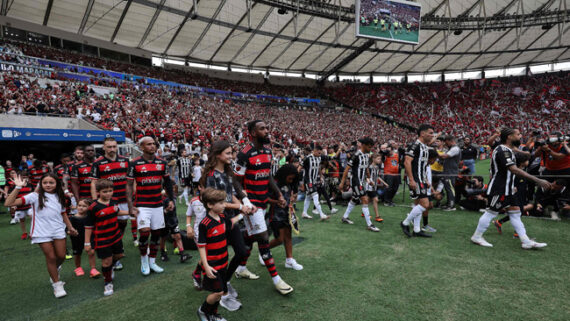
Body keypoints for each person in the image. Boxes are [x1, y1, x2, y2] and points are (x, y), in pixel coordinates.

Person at [233, 120, 294, 295]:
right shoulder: (244, 154)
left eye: (267, 128)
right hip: (251, 204)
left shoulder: (267, 152)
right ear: (252, 132)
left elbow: (268, 177)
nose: (267, 131)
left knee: (251, 237)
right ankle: (277, 280)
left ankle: (241, 266)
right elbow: (236, 182)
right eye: (262, 129)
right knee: (263, 238)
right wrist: (245, 202)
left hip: (263, 201)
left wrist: (279, 195)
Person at [471, 128, 552, 249]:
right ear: (509, 136)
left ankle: (525, 241)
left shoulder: (508, 149)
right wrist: (537, 180)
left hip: (508, 189)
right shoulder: (503, 150)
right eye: (518, 134)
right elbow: (513, 169)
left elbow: (527, 155)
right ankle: (477, 236)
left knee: (515, 214)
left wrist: (528, 149)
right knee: (491, 213)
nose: (520, 136)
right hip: (499, 188)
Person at [4, 172, 78, 298]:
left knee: (61, 255)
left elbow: (63, 213)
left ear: (56, 184)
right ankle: (57, 285)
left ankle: (55, 269)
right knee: (51, 257)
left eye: (51, 182)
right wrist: (18, 187)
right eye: (45, 183)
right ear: (40, 184)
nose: (48, 185)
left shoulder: (60, 196)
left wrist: (70, 227)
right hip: (41, 231)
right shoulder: (34, 196)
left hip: (58, 229)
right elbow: (8, 203)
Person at [201, 140, 250, 311]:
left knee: (241, 251)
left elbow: (231, 195)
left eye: (231, 153)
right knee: (218, 257)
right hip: (217, 220)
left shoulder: (228, 173)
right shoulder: (211, 175)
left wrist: (244, 205)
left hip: (230, 218)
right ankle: (220, 290)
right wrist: (239, 207)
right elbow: (217, 201)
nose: (231, 156)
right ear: (218, 154)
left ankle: (225, 281)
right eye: (228, 153)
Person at [127, 137, 175, 275]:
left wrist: (171, 199)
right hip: (142, 204)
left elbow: (167, 183)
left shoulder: (162, 162)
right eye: (149, 144)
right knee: (144, 232)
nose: (152, 146)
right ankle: (144, 259)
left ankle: (152, 261)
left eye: (154, 144)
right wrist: (131, 205)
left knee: (156, 233)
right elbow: (129, 185)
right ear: (141, 147)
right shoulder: (134, 163)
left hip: (157, 204)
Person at [90, 137, 136, 271]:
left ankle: (116, 247)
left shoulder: (125, 161)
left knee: (122, 224)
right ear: (103, 147)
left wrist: (133, 195)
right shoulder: (98, 163)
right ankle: (111, 254)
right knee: (109, 226)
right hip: (107, 201)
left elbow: (132, 180)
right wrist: (95, 201)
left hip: (123, 199)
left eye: (114, 146)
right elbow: (93, 182)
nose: (112, 149)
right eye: (109, 147)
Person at [196, 188, 242, 321]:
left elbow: (231, 222)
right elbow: (202, 247)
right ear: (210, 205)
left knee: (220, 291)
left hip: (223, 262)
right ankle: (203, 311)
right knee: (219, 292)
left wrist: (244, 214)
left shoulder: (222, 217)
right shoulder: (205, 224)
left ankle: (213, 315)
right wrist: (206, 266)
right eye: (221, 203)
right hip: (213, 265)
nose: (224, 205)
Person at [84, 179, 129, 296]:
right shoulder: (93, 207)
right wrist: (87, 243)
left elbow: (116, 211)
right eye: (105, 191)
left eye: (110, 191)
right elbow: (88, 226)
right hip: (102, 239)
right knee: (106, 261)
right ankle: (107, 283)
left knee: (119, 256)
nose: (108, 193)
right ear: (98, 192)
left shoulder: (113, 201)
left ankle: (110, 268)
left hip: (116, 236)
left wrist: (130, 212)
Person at [339, 137, 380, 232]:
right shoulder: (356, 155)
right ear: (364, 145)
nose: (370, 149)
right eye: (369, 147)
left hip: (362, 181)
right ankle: (370, 224)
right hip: (356, 182)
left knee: (354, 199)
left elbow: (366, 168)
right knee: (365, 199)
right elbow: (347, 169)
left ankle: (345, 217)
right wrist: (342, 182)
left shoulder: (366, 155)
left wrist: (369, 179)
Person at [400, 124, 435, 238]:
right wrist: (411, 179)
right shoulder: (414, 146)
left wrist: (425, 179)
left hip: (421, 179)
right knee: (425, 204)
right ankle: (405, 223)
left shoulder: (425, 147)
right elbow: (407, 162)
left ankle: (416, 230)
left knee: (419, 204)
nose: (432, 135)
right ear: (422, 133)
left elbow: (424, 166)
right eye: (430, 133)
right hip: (415, 179)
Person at [268, 164, 304, 270]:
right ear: (284, 175)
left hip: (287, 214)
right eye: (290, 178)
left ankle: (289, 260)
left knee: (288, 237)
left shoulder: (289, 183)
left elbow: (289, 195)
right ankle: (264, 251)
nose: (291, 181)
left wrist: (292, 198)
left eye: (293, 179)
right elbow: (265, 198)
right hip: (276, 215)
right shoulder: (274, 183)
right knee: (280, 239)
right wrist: (276, 201)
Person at [69, 199, 100, 278]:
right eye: (79, 205)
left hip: (89, 238)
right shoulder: (73, 218)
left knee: (91, 252)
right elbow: (67, 229)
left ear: (89, 208)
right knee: (77, 253)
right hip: (77, 239)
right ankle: (78, 268)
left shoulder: (90, 217)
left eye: (84, 206)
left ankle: (93, 269)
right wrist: (71, 232)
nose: (81, 208)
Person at [186, 186, 208, 290]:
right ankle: (206, 280)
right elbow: (189, 215)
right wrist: (188, 226)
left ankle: (196, 273)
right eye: (205, 186)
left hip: (213, 231)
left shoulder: (213, 199)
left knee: (210, 256)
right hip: (199, 233)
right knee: (207, 257)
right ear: (199, 187)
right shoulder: (194, 201)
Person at [159, 192, 191, 263]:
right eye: (171, 189)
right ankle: (163, 253)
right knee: (163, 238)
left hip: (173, 221)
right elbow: (158, 212)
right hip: (163, 222)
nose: (173, 190)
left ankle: (182, 254)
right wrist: (166, 209)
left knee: (178, 236)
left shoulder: (173, 198)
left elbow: (174, 210)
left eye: (174, 189)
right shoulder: (160, 199)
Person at [301, 145, 330, 220]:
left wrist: (320, 176)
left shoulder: (319, 158)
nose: (320, 154)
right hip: (308, 181)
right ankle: (321, 214)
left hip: (313, 181)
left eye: (320, 153)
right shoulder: (307, 158)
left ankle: (304, 213)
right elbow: (299, 168)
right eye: (319, 153)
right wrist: (299, 181)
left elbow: (318, 167)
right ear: (315, 151)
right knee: (315, 196)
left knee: (308, 197)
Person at [438, 135, 461, 211]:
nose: (445, 144)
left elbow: (445, 156)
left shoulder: (455, 148)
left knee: (450, 188)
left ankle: (451, 205)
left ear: (450, 141)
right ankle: (448, 203)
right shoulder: (451, 148)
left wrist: (435, 153)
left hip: (451, 172)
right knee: (448, 188)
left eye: (446, 142)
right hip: (447, 171)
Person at [10, 171, 34, 239]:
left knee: (32, 217)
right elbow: (12, 196)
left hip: (29, 205)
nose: (24, 179)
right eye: (22, 177)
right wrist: (13, 205)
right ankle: (24, 233)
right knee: (22, 220)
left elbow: (33, 194)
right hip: (19, 206)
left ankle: (32, 232)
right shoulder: (15, 185)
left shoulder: (30, 184)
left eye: (26, 177)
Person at [381, 141, 400, 207]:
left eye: (389, 150)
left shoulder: (396, 155)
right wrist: (384, 153)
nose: (388, 152)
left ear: (392, 150)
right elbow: (381, 158)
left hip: (396, 174)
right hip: (388, 174)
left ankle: (390, 199)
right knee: (389, 188)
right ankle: (386, 201)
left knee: (395, 188)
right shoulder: (385, 156)